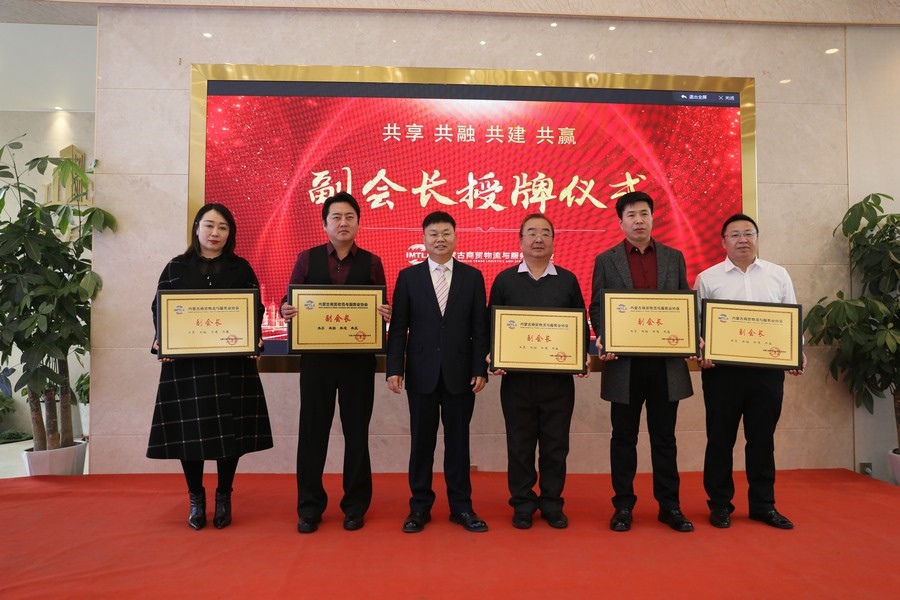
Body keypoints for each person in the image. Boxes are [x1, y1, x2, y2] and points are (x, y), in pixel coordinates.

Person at [148, 203, 273, 531]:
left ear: (230, 233)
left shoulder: (241, 268)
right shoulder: (176, 267)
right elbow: (160, 307)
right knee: (189, 434)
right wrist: (163, 339)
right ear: (197, 228)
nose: (215, 233)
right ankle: (195, 497)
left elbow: (255, 309)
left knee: (230, 432)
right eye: (209, 225)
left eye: (223, 227)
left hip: (231, 364)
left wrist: (254, 338)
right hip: (187, 366)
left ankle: (224, 495)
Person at [280, 191, 391, 533]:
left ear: (358, 222)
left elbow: (381, 306)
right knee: (312, 433)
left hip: (358, 362)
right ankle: (309, 507)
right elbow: (289, 299)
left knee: (357, 433)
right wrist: (286, 308)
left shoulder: (371, 262)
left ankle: (355, 506)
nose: (343, 223)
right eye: (336, 217)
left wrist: (385, 313)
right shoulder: (307, 258)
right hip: (317, 361)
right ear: (324, 223)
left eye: (349, 217)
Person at [588, 191, 695, 533]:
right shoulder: (606, 260)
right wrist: (605, 336)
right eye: (631, 215)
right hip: (625, 365)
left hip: (665, 364)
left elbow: (684, 304)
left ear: (653, 217)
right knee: (623, 438)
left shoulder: (674, 258)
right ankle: (623, 506)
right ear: (620, 222)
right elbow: (597, 307)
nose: (638, 220)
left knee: (665, 438)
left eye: (644, 213)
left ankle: (670, 506)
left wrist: (690, 335)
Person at [694, 213, 806, 530]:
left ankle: (763, 505)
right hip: (722, 373)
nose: (742, 239)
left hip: (766, 371)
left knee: (762, 440)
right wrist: (702, 349)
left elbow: (791, 318)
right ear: (723, 242)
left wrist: (795, 352)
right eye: (735, 234)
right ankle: (719, 505)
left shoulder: (778, 275)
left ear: (757, 238)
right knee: (720, 439)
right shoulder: (707, 278)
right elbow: (697, 325)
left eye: (749, 233)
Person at [387, 211, 490, 533]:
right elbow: (399, 327)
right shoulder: (408, 277)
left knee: (459, 444)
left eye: (446, 233)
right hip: (421, 373)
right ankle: (419, 508)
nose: (440, 239)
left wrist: (480, 368)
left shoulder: (473, 277)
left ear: (456, 237)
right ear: (424, 239)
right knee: (422, 444)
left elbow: (480, 328)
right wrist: (394, 368)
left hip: (461, 374)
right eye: (433, 234)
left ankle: (462, 507)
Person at [488, 214, 589, 530]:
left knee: (555, 446)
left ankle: (551, 504)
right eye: (531, 233)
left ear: (554, 242)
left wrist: (581, 356)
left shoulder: (567, 280)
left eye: (545, 233)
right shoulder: (505, 280)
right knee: (519, 446)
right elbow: (492, 325)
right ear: (520, 241)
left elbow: (579, 324)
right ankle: (522, 504)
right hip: (517, 382)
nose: (538, 239)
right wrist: (493, 354)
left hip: (557, 381)